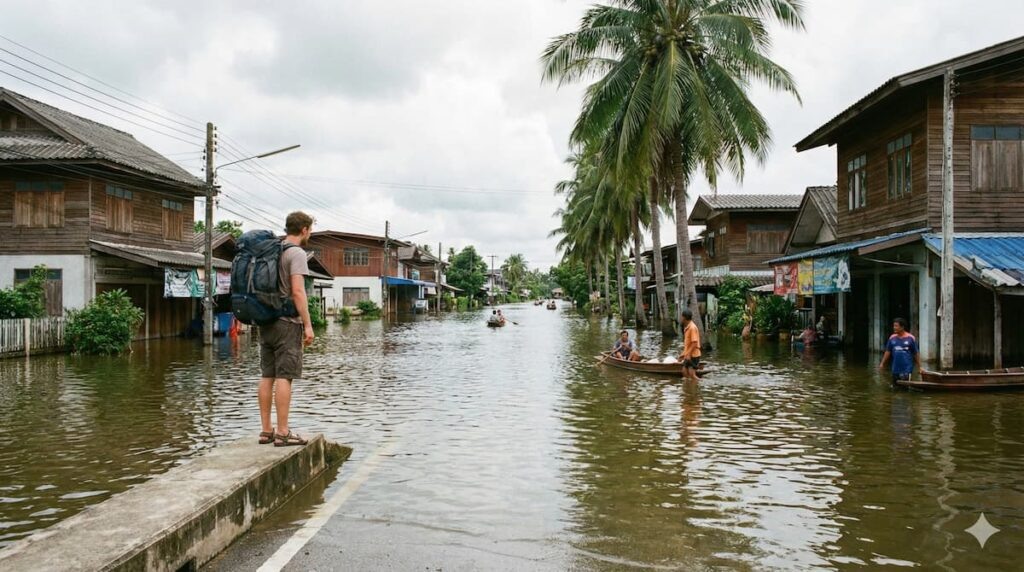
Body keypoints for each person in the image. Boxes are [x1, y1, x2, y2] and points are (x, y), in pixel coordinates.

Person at [258, 211, 315, 447]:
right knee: (285, 377)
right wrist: (308, 324)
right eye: (310, 230)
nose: (309, 233)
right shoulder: (296, 253)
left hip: (265, 320)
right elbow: (298, 291)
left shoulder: (271, 251)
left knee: (267, 375)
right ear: (303, 230)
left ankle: (265, 431)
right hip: (287, 323)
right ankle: (282, 432)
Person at [879, 317, 921, 384]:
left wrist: (920, 367)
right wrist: (882, 363)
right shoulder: (892, 338)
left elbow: (916, 353)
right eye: (893, 326)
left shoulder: (910, 338)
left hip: (906, 369)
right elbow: (888, 351)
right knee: (895, 388)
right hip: (895, 369)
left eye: (896, 326)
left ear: (902, 327)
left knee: (905, 389)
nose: (894, 327)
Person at [678, 309, 702, 381]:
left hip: (694, 355)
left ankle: (702, 384)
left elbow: (694, 343)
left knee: (692, 374)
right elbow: (688, 344)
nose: (681, 318)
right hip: (689, 354)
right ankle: (688, 389)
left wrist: (688, 354)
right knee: (684, 371)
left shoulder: (692, 327)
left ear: (684, 318)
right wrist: (683, 354)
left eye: (681, 317)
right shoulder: (687, 327)